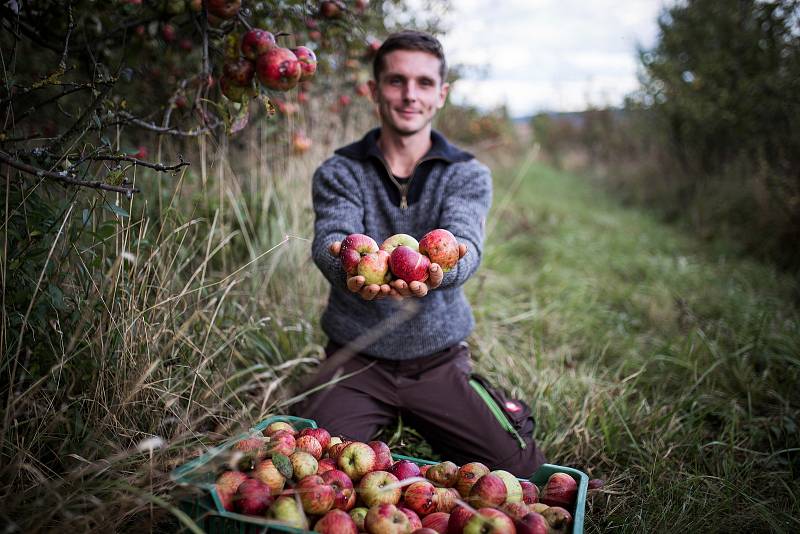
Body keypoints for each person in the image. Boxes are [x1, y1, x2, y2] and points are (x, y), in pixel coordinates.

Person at [291, 30, 546, 477]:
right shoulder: (340, 170)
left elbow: (465, 246)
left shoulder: (466, 173)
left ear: (441, 93)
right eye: (396, 81)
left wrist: (438, 272)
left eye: (424, 83)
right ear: (373, 90)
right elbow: (330, 239)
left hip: (438, 360)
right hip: (355, 359)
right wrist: (345, 262)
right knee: (309, 471)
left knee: (521, 473)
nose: (410, 95)